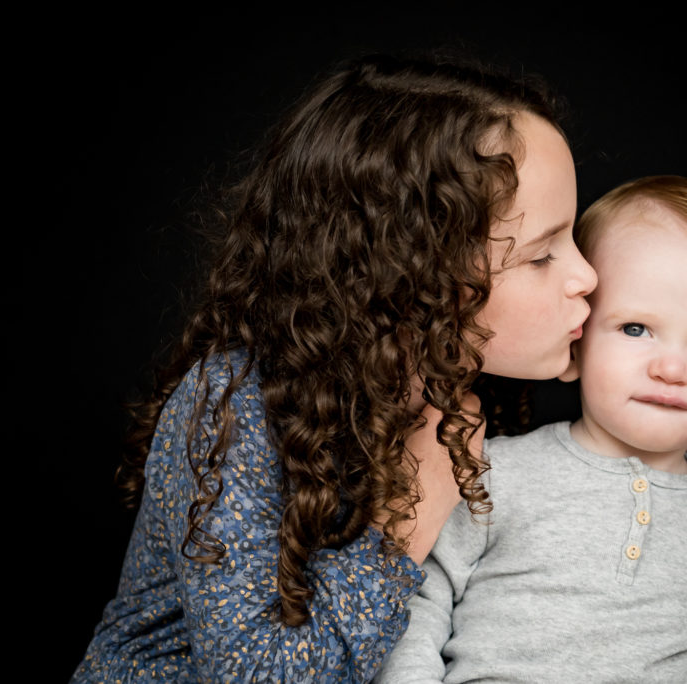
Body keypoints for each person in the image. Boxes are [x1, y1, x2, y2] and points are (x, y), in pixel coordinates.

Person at [71, 53, 597, 683]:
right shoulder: (235, 399)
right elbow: (254, 676)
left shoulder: (453, 389)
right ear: (412, 272)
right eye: (542, 255)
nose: (586, 275)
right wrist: (408, 520)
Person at [376, 176, 687, 683]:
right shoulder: (494, 472)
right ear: (577, 344)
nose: (671, 369)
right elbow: (418, 595)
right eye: (636, 329)